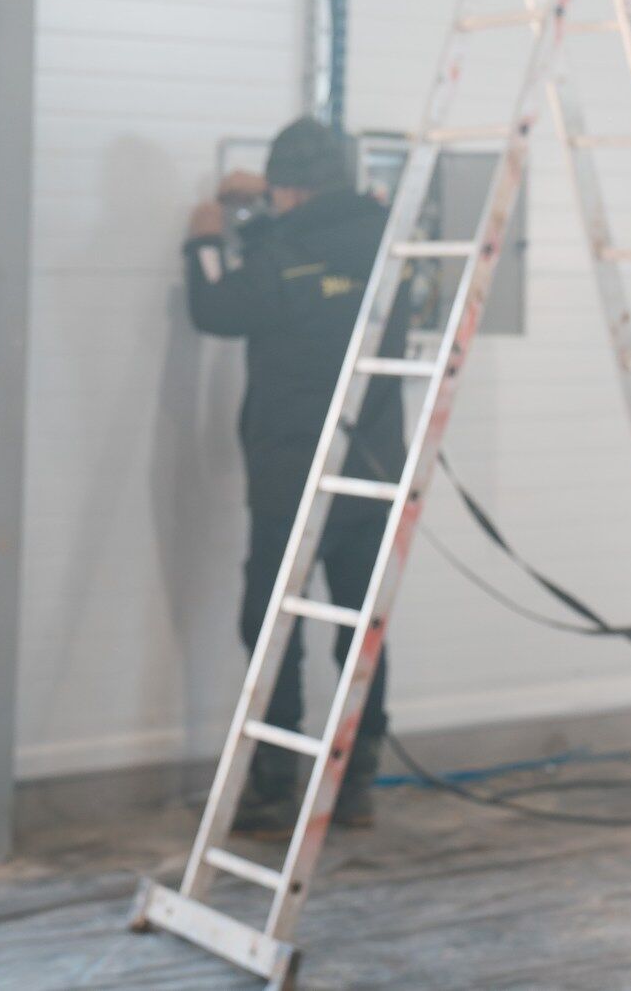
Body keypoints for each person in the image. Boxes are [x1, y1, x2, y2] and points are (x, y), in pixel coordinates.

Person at [185, 116, 401, 833]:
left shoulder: (283, 252)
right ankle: (356, 783)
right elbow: (318, 268)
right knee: (359, 628)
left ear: (289, 191)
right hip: (372, 471)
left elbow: (218, 308)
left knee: (272, 624)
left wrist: (204, 239)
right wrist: (269, 212)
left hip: (293, 475)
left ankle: (275, 789)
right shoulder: (387, 237)